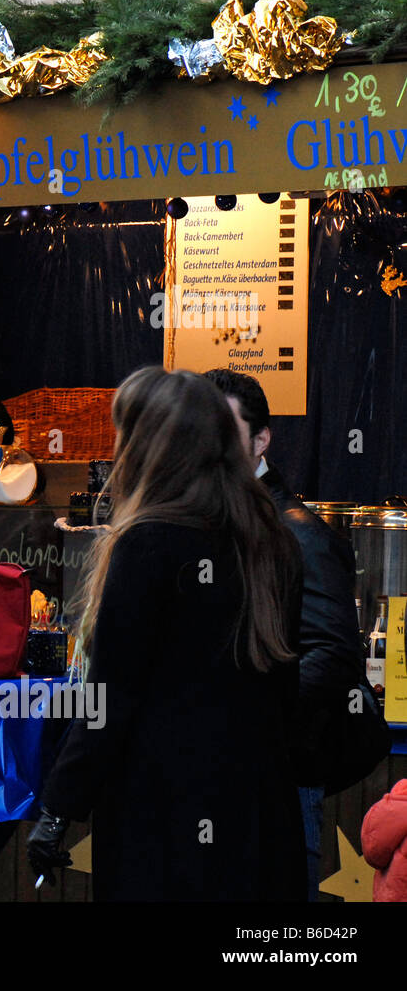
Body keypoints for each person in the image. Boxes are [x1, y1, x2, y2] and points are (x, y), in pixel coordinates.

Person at [26, 366, 307, 901]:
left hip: (163, 822)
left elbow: (111, 698)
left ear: (148, 445)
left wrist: (57, 807)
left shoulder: (149, 544)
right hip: (259, 816)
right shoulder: (274, 540)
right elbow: (283, 688)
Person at [204, 368, 384, 902]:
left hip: (278, 780)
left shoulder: (298, 533)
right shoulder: (207, 523)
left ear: (262, 440)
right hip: (219, 780)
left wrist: (243, 709)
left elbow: (333, 655)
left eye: (223, 431)